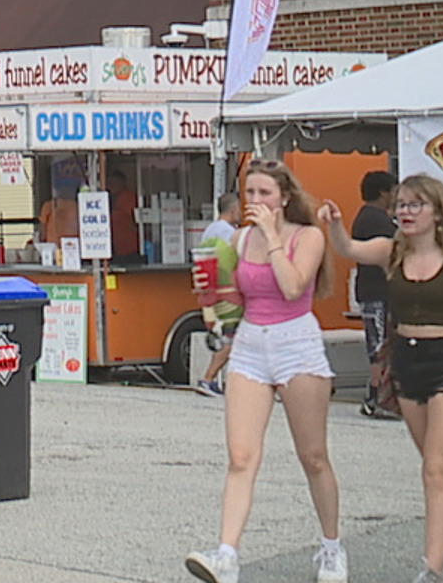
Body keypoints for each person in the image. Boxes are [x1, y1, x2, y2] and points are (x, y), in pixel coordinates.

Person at [326, 175, 443, 583]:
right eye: (401, 204)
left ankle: (431, 571)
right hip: (407, 362)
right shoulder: (391, 252)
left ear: (437, 211)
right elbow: (347, 248)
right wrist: (333, 223)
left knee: (435, 469)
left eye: (415, 204)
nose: (405, 211)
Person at [185, 160, 345, 583]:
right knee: (241, 456)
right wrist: (211, 294)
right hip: (252, 344)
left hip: (296, 342)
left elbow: (294, 287)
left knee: (312, 456)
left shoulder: (307, 236)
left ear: (284, 198)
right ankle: (226, 554)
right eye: (249, 194)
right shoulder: (238, 240)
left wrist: (273, 237)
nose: (255, 202)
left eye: (264, 194)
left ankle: (331, 547)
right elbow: (234, 298)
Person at [351, 171, 400, 420]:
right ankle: (376, 396)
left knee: (380, 341)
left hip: (374, 291)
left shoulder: (369, 218)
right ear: (383, 192)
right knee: (378, 343)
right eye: (394, 190)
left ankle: (379, 395)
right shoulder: (377, 221)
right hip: (376, 291)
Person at [195, 192, 244, 398]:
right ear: (233, 210)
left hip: (210, 291)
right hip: (227, 292)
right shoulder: (228, 233)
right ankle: (208, 379)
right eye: (239, 209)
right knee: (230, 338)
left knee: (232, 336)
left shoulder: (209, 231)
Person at [107, 166, 141, 261]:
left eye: (114, 183)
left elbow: (137, 222)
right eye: (109, 183)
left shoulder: (128, 198)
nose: (111, 186)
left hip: (131, 252)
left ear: (122, 183)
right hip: (119, 251)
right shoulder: (114, 200)